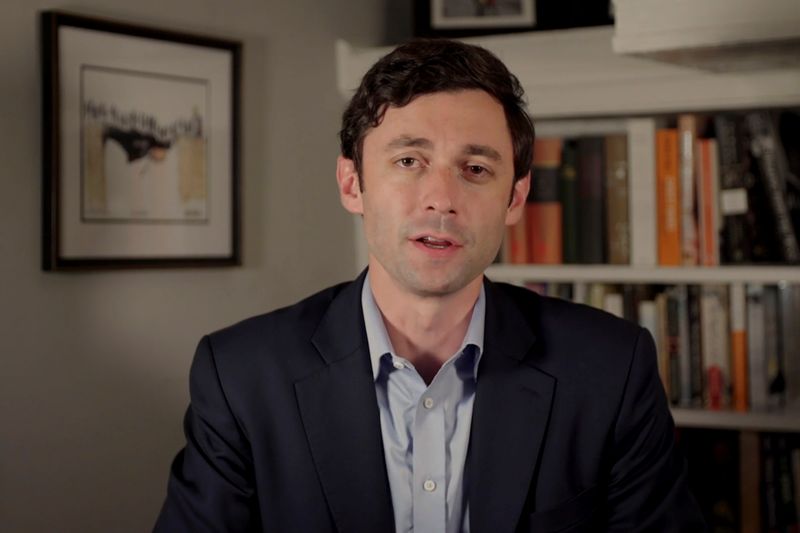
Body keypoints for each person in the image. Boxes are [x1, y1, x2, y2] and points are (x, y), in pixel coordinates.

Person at [154, 39, 706, 532]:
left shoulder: (612, 368)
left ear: (514, 199)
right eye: (409, 160)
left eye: (476, 169)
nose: (441, 198)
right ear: (353, 184)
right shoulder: (241, 376)